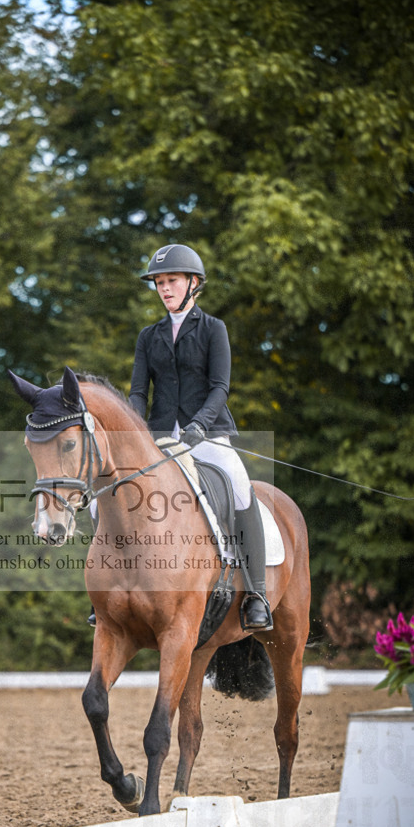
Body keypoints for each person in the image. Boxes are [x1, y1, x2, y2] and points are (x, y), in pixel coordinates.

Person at [127, 243, 273, 631]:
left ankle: (256, 594)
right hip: (159, 439)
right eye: (159, 282)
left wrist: (199, 426)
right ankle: (116, 589)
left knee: (241, 487)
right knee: (113, 491)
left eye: (171, 280)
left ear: (193, 283)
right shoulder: (148, 336)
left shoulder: (213, 329)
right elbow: (139, 391)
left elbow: (220, 387)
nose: (164, 288)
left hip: (206, 435)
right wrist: (133, 430)